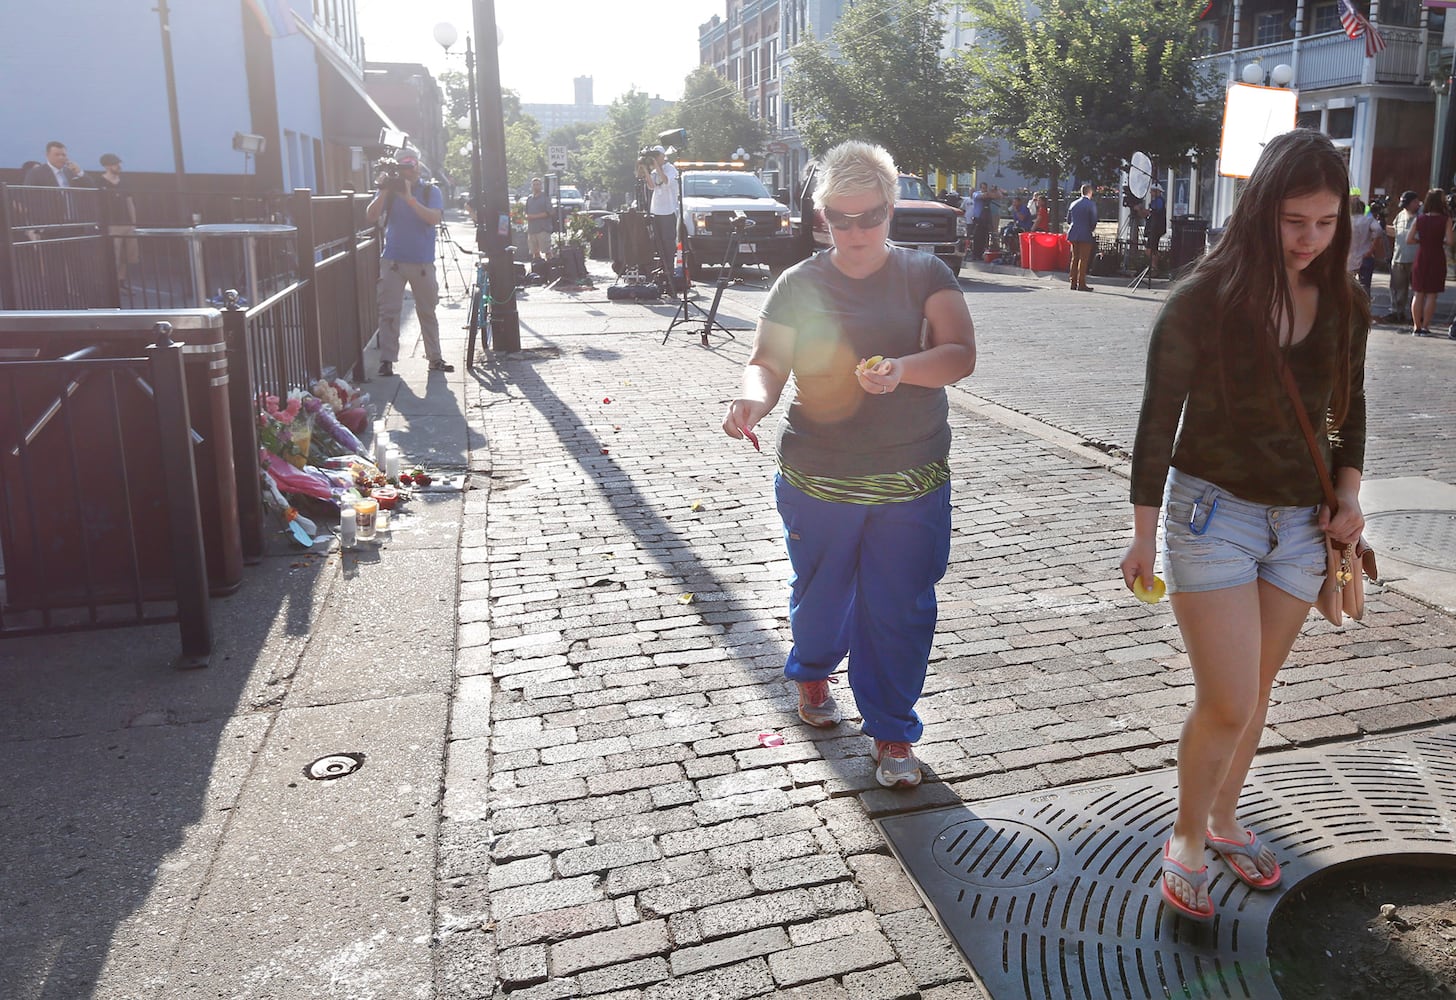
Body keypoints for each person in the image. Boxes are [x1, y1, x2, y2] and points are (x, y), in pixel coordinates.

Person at [1120, 128, 1370, 924]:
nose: (1311, 239)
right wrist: (1141, 530)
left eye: (1327, 223)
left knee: (1255, 693)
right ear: (1261, 210)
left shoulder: (1344, 301)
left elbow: (1349, 408)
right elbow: (1158, 419)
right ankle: (1187, 837)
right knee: (1226, 698)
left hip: (1301, 526)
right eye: (1296, 220)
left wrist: (1350, 495)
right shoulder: (1204, 298)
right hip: (1211, 514)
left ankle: (1226, 818)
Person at [721, 140, 977, 789]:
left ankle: (891, 732)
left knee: (899, 607)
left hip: (911, 476)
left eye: (870, 216)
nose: (857, 230)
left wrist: (903, 370)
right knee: (823, 596)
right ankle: (811, 669)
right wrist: (751, 402)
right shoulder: (799, 284)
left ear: (891, 210)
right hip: (818, 477)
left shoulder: (926, 274)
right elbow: (768, 362)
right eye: (842, 217)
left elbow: (959, 352)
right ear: (821, 217)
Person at [365, 148, 453, 376]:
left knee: (427, 311)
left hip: (422, 263)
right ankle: (387, 360)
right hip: (393, 260)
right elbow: (371, 216)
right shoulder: (391, 191)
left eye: (413, 164)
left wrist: (410, 199)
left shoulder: (429, 190)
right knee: (389, 312)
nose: (410, 170)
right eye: (405, 165)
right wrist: (384, 191)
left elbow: (433, 218)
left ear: (418, 166)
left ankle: (435, 357)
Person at [1406, 189, 1452, 338]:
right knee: (1432, 294)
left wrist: (1421, 241)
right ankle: (1425, 326)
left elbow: (1409, 239)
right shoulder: (1445, 219)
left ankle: (1416, 326)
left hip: (1422, 255)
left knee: (1418, 292)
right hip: (1437, 256)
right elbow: (1450, 241)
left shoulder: (1420, 219)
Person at [637, 145, 680, 289]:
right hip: (657, 211)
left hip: (668, 211)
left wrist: (656, 164)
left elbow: (666, 181)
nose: (655, 160)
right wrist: (645, 170)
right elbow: (651, 186)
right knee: (658, 243)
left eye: (657, 157)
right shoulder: (656, 171)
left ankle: (670, 273)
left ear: (663, 156)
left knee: (668, 244)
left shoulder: (671, 169)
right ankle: (660, 272)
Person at [94, 153, 138, 283]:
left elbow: (130, 201)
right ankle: (112, 283)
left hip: (127, 223)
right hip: (112, 224)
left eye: (118, 163)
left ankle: (121, 281)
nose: (118, 166)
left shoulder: (124, 181)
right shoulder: (99, 182)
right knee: (115, 255)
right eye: (114, 163)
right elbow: (96, 203)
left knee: (127, 256)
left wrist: (134, 222)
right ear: (106, 166)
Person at [1384, 190, 1419, 324]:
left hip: (1415, 259)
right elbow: (1395, 231)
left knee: (1417, 289)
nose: (1405, 206)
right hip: (1399, 257)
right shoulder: (1401, 215)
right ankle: (1397, 312)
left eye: (1407, 203)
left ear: (1415, 202)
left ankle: (1414, 315)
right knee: (1397, 287)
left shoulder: (1421, 217)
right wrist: (1383, 227)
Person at [1345, 198, 1383, 295]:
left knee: (1347, 284)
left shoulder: (1347, 220)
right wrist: (1372, 249)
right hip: (1365, 255)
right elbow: (1378, 230)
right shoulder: (1368, 220)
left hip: (1348, 257)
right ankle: (1364, 306)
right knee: (1365, 286)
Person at [1066, 183, 1098, 291]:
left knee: (1074, 258)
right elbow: (1093, 220)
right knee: (1083, 259)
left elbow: (1068, 220)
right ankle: (1081, 283)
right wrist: (1091, 229)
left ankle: (1073, 282)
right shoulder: (1091, 204)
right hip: (1085, 233)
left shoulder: (1073, 203)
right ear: (1090, 192)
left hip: (1073, 233)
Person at [523, 177, 553, 261]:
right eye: (534, 185)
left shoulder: (545, 197)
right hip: (532, 229)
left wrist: (534, 217)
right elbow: (526, 212)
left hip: (543, 229)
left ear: (541, 186)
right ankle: (538, 268)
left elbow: (549, 212)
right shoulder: (529, 198)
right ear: (531, 186)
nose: (536, 186)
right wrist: (526, 216)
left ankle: (550, 267)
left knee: (547, 250)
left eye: (538, 184)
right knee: (535, 252)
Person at [1145, 185, 1167, 278]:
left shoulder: (1159, 201)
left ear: (1157, 191)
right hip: (1154, 228)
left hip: (1156, 228)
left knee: (1151, 249)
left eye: (1152, 191)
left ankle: (1154, 267)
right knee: (1150, 249)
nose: (1151, 193)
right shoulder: (1157, 201)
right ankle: (1154, 266)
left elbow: (1154, 210)